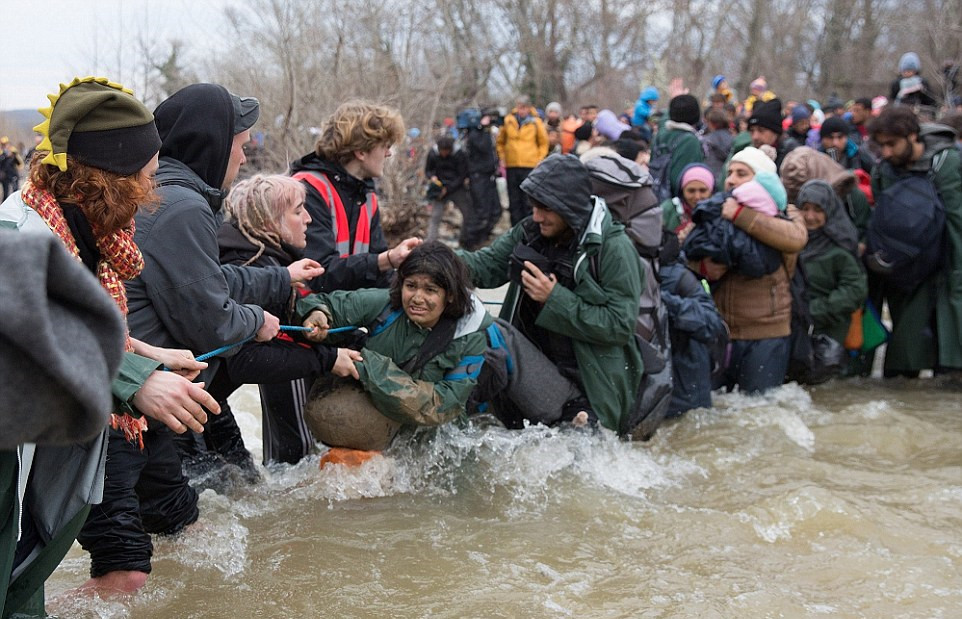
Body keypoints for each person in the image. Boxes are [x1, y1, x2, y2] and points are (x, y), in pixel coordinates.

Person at [0, 76, 217, 603]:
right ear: (108, 179)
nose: (152, 194)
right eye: (146, 178)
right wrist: (136, 382)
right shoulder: (17, 233)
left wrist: (145, 353)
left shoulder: (81, 234)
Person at [112, 82, 296, 590]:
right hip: (131, 408)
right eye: (240, 139)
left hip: (140, 397)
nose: (245, 149)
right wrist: (257, 321)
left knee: (175, 533)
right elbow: (210, 320)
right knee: (131, 568)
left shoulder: (169, 196)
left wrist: (280, 280)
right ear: (211, 141)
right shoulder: (182, 207)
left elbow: (204, 282)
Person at [458, 154, 644, 435]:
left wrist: (554, 298)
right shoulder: (530, 232)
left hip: (588, 387)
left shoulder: (614, 249)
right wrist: (433, 258)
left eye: (545, 208)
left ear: (569, 207)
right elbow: (484, 267)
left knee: (495, 332)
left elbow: (619, 326)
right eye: (534, 206)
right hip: (534, 373)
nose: (536, 216)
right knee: (477, 330)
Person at [216, 175, 363, 464]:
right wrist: (329, 358)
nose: (308, 218)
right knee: (286, 471)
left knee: (242, 481)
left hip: (202, 400)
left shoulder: (257, 258)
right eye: (298, 211)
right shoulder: (255, 269)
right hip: (180, 402)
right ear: (269, 221)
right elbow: (249, 361)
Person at [299, 241, 489, 438]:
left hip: (436, 438)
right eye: (411, 286)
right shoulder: (385, 305)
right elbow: (328, 304)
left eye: (430, 290)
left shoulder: (470, 335)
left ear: (449, 295)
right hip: (379, 423)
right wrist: (316, 313)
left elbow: (442, 405)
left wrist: (366, 366)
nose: (417, 298)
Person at [693, 146, 808, 393]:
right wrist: (703, 266)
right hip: (723, 330)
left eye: (742, 173)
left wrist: (741, 216)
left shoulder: (784, 212)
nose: (732, 180)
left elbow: (795, 238)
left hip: (766, 332)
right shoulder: (718, 210)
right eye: (730, 173)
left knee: (760, 409)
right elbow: (685, 252)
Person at [867, 106, 962, 377]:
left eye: (891, 144)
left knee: (951, 358)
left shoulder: (946, 162)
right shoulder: (885, 170)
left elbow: (957, 222)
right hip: (907, 271)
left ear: (911, 136)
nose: (885, 152)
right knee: (904, 358)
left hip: (947, 266)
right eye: (881, 145)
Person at [290, 99, 421, 293]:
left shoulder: (367, 195)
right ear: (361, 151)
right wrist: (386, 260)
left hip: (346, 302)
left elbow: (378, 274)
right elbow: (318, 275)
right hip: (311, 309)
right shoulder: (308, 189)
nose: (388, 154)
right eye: (384, 146)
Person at [657, 233, 727, 416]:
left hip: (686, 387)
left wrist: (663, 301)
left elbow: (711, 325)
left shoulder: (682, 278)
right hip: (655, 385)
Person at [796, 180, 867, 349]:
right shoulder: (791, 241)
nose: (810, 216)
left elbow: (854, 290)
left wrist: (814, 310)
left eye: (818, 210)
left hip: (830, 332)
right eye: (804, 209)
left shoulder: (840, 247)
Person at [497, 95, 549, 225]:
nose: (522, 111)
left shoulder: (536, 122)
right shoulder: (508, 120)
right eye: (520, 107)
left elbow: (544, 143)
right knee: (513, 199)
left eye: (524, 108)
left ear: (529, 108)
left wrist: (539, 159)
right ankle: (514, 227)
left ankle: (529, 226)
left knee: (527, 199)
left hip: (529, 164)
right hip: (512, 164)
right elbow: (500, 141)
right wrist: (502, 157)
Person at [650, 94, 705, 200]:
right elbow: (685, 180)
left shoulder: (660, 135)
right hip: (677, 202)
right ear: (696, 115)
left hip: (657, 196)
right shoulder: (690, 141)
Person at [460, 108, 501, 246]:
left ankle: (483, 237)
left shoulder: (484, 133)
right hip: (478, 177)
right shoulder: (474, 135)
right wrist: (482, 127)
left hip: (488, 176)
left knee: (495, 210)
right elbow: (483, 147)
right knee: (480, 211)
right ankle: (470, 241)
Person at [424, 136, 473, 246]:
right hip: (439, 188)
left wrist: (448, 189)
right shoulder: (433, 154)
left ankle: (465, 240)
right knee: (435, 216)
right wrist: (432, 177)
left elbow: (463, 175)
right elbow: (428, 170)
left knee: (467, 213)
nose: (444, 154)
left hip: (456, 187)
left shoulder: (459, 154)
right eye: (442, 151)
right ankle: (430, 243)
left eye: (446, 151)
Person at [662, 162, 715, 242]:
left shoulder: (718, 213)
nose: (697, 197)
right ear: (682, 191)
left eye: (703, 190)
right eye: (691, 191)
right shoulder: (669, 209)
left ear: (711, 192)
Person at [748, 98, 798, 171]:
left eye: (761, 130)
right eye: (752, 131)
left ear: (776, 132)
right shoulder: (749, 152)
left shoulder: (792, 155)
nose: (755, 137)